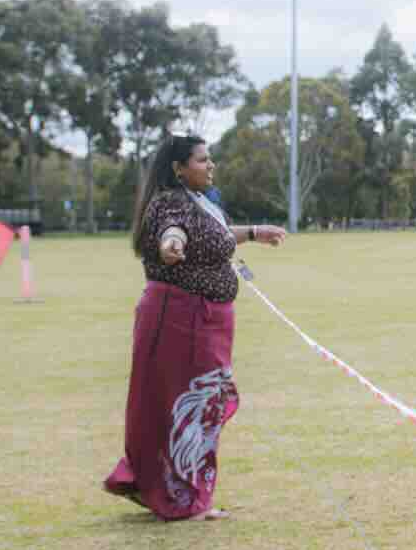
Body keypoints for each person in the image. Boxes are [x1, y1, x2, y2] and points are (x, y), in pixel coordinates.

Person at [103, 135, 285, 520]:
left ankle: (157, 485)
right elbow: (175, 230)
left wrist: (253, 232)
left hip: (204, 320)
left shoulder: (199, 201)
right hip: (182, 319)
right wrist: (171, 244)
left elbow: (213, 236)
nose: (211, 165)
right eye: (203, 160)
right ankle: (181, 498)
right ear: (178, 168)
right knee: (190, 407)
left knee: (183, 405)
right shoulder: (170, 204)